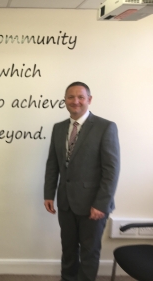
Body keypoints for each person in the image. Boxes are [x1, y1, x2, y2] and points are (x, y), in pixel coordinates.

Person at [43, 82, 120, 281]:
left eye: (80, 97)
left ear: (89, 100)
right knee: (68, 249)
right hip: (66, 202)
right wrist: (48, 194)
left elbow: (111, 170)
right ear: (65, 100)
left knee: (89, 252)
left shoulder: (105, 127)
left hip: (93, 205)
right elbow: (53, 163)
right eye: (70, 97)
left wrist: (101, 204)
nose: (75, 101)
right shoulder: (59, 128)